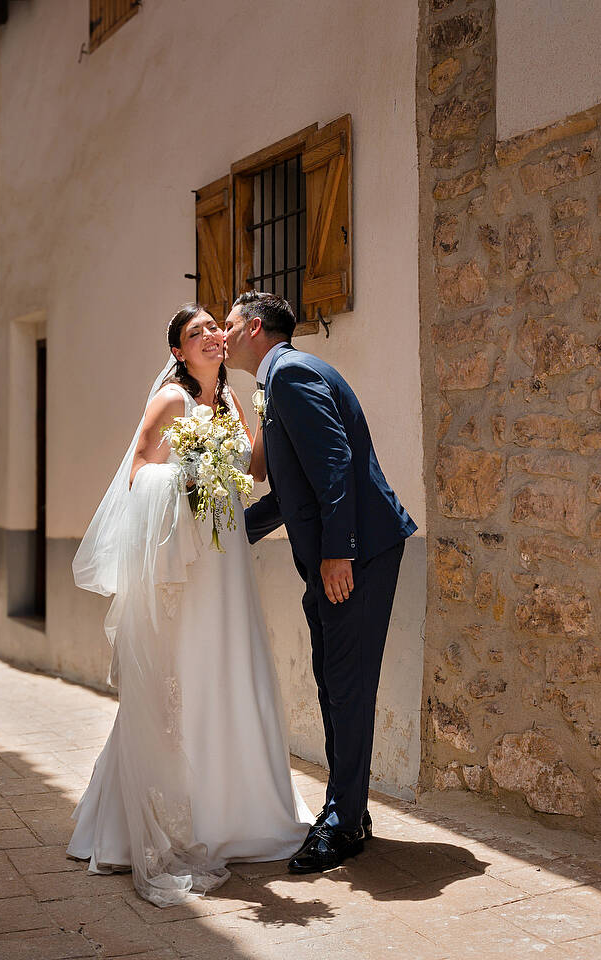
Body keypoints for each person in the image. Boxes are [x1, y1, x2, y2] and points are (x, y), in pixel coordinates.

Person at [67, 303, 312, 906]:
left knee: (230, 666)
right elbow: (137, 474)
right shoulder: (171, 401)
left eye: (213, 328)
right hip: (187, 562)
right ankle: (157, 821)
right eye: (196, 332)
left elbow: (254, 470)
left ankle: (241, 814)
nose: (210, 336)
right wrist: (187, 479)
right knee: (185, 676)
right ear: (178, 352)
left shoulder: (228, 401)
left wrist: (266, 418)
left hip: (227, 558)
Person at [223, 291, 418, 874]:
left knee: (347, 686)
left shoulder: (290, 375)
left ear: (254, 328)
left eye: (228, 324)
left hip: (356, 556)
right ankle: (348, 809)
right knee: (335, 683)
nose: (222, 335)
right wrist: (225, 534)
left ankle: (343, 822)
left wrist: (339, 553)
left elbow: (335, 465)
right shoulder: (280, 378)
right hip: (339, 557)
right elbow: (294, 491)